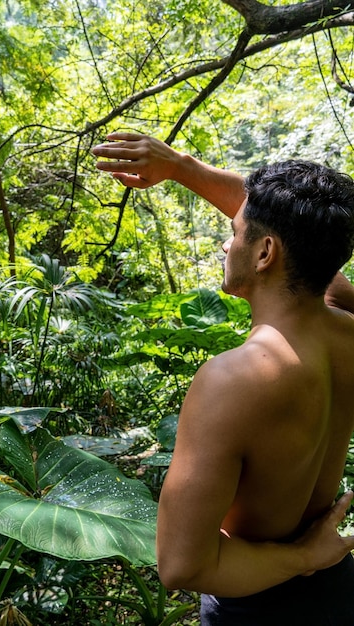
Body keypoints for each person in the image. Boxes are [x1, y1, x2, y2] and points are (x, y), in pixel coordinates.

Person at [93, 133, 354, 625]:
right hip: (339, 593)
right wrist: (182, 167)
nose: (226, 242)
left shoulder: (232, 379)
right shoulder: (347, 333)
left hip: (257, 604)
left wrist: (303, 558)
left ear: (264, 253)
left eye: (235, 232)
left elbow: (181, 565)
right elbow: (314, 251)